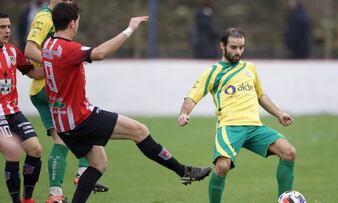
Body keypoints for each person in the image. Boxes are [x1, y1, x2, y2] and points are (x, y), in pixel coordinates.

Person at [42, 3, 211, 203]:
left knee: (99, 164)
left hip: (62, 123)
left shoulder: (48, 46)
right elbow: (100, 53)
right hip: (80, 118)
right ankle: (184, 170)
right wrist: (129, 29)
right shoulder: (68, 48)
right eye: (77, 20)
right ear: (72, 23)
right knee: (140, 131)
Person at [178, 27, 297, 203]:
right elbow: (192, 96)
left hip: (255, 127)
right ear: (222, 46)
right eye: (233, 47)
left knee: (289, 152)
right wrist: (184, 113)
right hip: (230, 127)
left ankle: (284, 200)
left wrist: (278, 113)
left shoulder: (250, 68)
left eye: (241, 47)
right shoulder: (213, 72)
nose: (238, 52)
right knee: (222, 167)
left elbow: (260, 95)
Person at [24, 1, 108, 202]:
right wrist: (54, 63)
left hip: (46, 88)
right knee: (82, 123)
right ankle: (82, 173)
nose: (70, 2)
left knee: (63, 139)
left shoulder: (57, 17)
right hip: (48, 88)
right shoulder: (45, 17)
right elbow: (29, 49)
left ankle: (56, 194)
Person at [0, 12, 44, 203]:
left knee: (35, 149)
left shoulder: (12, 51)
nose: (7, 31)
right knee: (13, 150)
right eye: (2, 27)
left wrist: (54, 68)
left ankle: (28, 199)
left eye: (8, 26)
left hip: (13, 112)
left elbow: (32, 73)